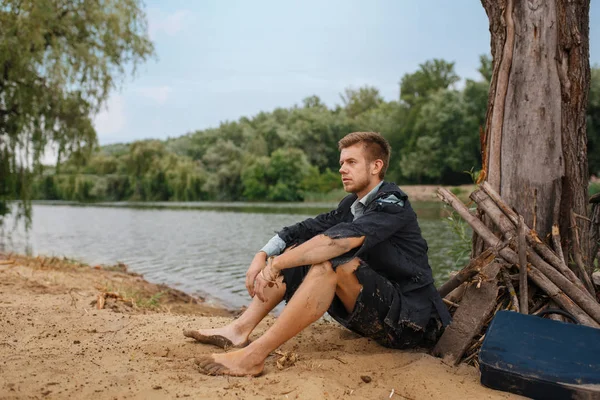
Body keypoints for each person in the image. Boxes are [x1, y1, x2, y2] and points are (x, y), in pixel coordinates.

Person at [185, 131, 451, 377]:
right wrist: (264, 254)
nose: (341, 169)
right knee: (298, 250)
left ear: (376, 166)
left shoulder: (392, 204)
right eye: (341, 163)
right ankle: (238, 330)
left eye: (351, 162)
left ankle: (254, 356)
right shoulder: (351, 204)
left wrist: (276, 265)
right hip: (373, 314)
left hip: (409, 323)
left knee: (331, 263)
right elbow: (306, 229)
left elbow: (339, 243)